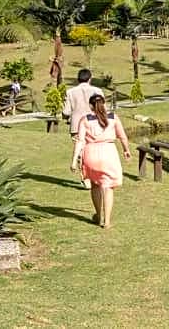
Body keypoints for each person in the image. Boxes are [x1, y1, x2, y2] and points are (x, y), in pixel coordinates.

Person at [70, 94, 130, 228]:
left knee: (95, 185)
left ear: (91, 106)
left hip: (91, 154)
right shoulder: (113, 117)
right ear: (104, 104)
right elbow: (123, 136)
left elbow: (80, 141)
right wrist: (126, 150)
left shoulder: (85, 120)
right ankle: (107, 221)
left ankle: (98, 215)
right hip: (109, 153)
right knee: (108, 187)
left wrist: (74, 160)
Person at [63, 69, 103, 190]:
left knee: (81, 152)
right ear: (90, 79)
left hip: (77, 126)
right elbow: (103, 109)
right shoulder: (97, 91)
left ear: (78, 79)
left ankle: (86, 179)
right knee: (95, 151)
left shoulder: (70, 92)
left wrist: (66, 117)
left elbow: (66, 112)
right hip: (94, 125)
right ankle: (95, 176)